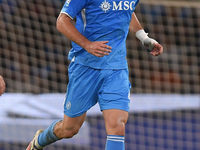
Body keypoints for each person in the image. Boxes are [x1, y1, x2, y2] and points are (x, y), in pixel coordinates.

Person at [26, 0, 163, 150]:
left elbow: (126, 10)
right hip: (85, 68)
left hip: (116, 69)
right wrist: (87, 44)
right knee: (69, 129)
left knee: (117, 127)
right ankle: (39, 141)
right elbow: (62, 21)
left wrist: (144, 37)